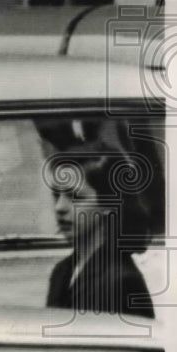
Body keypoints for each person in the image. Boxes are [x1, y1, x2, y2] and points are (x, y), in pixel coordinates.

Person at [43, 125, 155, 319]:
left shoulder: (122, 281)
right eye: (56, 195)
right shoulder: (61, 272)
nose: (59, 207)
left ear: (108, 205)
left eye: (75, 197)